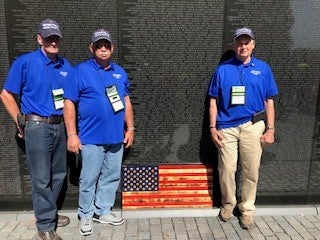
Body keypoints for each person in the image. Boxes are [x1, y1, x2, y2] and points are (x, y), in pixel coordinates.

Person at [0, 19, 73, 240]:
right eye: (48, 37)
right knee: (41, 178)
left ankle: (48, 212)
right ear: (39, 38)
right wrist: (19, 120)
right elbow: (6, 94)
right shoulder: (25, 62)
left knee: (59, 174)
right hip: (37, 126)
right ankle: (45, 225)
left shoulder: (65, 66)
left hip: (60, 126)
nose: (53, 41)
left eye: (56, 37)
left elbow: (71, 99)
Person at [63, 28, 134, 236]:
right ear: (91, 48)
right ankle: (85, 214)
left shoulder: (119, 72)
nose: (103, 50)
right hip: (91, 138)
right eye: (98, 46)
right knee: (89, 179)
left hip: (115, 137)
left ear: (112, 48)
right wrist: (71, 134)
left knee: (111, 176)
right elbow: (69, 103)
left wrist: (130, 127)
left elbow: (126, 102)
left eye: (106, 46)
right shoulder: (80, 71)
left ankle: (103, 210)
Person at [208, 27, 278, 230]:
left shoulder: (263, 69)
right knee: (227, 169)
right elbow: (213, 100)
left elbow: (269, 101)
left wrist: (270, 129)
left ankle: (247, 210)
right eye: (239, 43)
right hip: (226, 127)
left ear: (253, 45)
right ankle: (228, 204)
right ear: (234, 45)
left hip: (253, 126)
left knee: (250, 169)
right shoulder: (222, 69)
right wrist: (212, 127)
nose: (243, 46)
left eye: (247, 42)